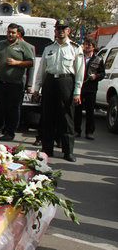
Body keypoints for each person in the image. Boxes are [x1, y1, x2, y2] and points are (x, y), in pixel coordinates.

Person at [33, 19, 85, 161]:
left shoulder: (75, 48)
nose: (61, 31)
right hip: (50, 82)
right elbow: (41, 69)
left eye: (64, 28)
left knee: (66, 118)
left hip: (66, 82)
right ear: (55, 31)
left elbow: (80, 72)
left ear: (68, 31)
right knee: (47, 117)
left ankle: (68, 151)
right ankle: (47, 149)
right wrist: (37, 87)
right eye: (58, 28)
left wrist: (77, 92)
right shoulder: (49, 48)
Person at [0, 23, 34, 141]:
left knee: (13, 109)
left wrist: (17, 63)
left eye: (13, 33)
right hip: (0, 82)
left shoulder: (23, 46)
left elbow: (31, 63)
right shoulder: (0, 44)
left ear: (18, 34)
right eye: (9, 32)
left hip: (15, 84)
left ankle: (10, 133)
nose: (10, 35)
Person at [75, 37, 105, 140]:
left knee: (90, 111)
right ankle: (76, 130)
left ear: (93, 47)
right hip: (80, 87)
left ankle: (89, 132)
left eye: (89, 45)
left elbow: (102, 73)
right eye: (85, 44)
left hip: (91, 88)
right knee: (77, 109)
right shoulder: (79, 57)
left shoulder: (98, 59)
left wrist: (96, 76)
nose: (86, 47)